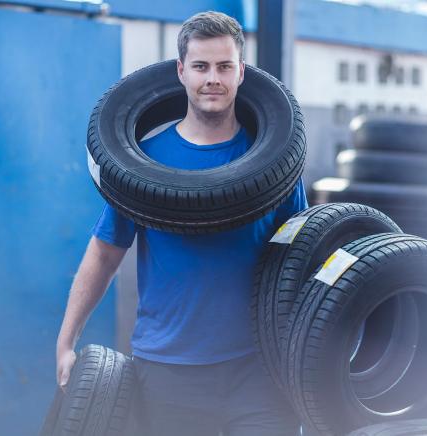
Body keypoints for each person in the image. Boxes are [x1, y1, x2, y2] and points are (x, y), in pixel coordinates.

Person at [56, 10, 307, 436]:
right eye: (201, 66)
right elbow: (104, 252)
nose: (214, 78)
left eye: (225, 66)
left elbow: (301, 254)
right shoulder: (143, 164)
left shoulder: (274, 162)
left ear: (241, 73)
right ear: (181, 72)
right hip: (170, 371)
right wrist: (67, 340)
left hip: (261, 370)